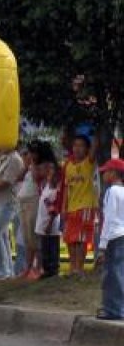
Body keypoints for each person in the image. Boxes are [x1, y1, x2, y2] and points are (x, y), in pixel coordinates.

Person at [62, 133, 98, 276]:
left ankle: (80, 268)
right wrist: (63, 208)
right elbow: (66, 188)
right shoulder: (68, 165)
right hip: (71, 207)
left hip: (86, 206)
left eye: (81, 146)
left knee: (81, 239)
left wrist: (93, 130)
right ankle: (73, 268)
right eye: (75, 145)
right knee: (71, 238)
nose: (77, 148)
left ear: (87, 149)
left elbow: (95, 147)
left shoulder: (89, 163)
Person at [0, 147, 24, 281]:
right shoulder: (2, 159)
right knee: (2, 236)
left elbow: (7, 181)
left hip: (8, 202)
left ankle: (1, 273)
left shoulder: (14, 159)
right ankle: (7, 271)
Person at [95, 158, 124, 320]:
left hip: (113, 236)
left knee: (112, 274)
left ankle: (113, 309)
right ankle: (117, 307)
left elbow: (110, 219)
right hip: (122, 235)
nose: (103, 174)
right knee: (119, 272)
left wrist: (102, 245)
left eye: (106, 171)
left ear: (113, 173)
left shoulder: (112, 191)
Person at [14, 141, 43, 279]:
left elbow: (38, 178)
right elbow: (17, 178)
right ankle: (28, 267)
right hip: (23, 203)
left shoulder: (40, 166)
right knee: (26, 237)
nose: (27, 155)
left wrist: (33, 164)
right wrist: (26, 165)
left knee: (34, 235)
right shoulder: (28, 167)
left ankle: (37, 267)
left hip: (33, 201)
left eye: (30, 153)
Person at [35, 149, 64, 278]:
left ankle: (53, 269)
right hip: (42, 221)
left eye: (51, 169)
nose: (48, 171)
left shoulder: (55, 190)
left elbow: (54, 210)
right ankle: (46, 269)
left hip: (50, 225)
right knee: (44, 247)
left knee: (52, 246)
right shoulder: (45, 186)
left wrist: (49, 224)